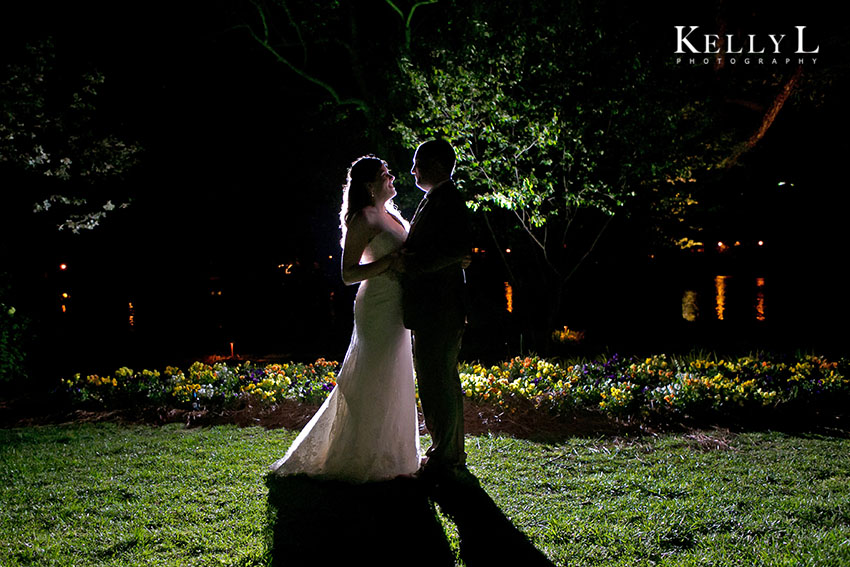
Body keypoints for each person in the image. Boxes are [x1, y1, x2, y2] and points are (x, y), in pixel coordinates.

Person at [269, 155, 420, 483]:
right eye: (385, 174)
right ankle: (360, 454)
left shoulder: (391, 215)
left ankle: (396, 455)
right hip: (377, 305)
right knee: (373, 376)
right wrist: (390, 264)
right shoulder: (362, 219)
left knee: (396, 376)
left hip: (398, 308)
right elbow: (348, 274)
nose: (392, 176)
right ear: (370, 184)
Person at [400, 139, 472, 481]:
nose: (413, 170)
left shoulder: (449, 201)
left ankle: (447, 455)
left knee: (438, 380)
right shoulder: (436, 200)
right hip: (433, 308)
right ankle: (447, 451)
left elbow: (455, 250)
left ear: (437, 165)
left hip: (440, 309)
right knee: (436, 380)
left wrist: (411, 265)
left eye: (418, 163)